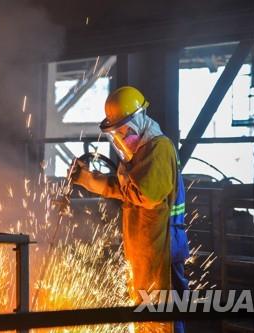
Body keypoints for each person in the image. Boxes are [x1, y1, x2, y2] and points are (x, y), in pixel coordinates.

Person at [70, 86, 189, 333]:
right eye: (117, 133)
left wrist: (101, 180)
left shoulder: (159, 148)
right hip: (145, 249)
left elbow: (145, 194)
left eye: (124, 131)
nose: (122, 139)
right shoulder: (140, 153)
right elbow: (125, 189)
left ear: (139, 121)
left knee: (164, 316)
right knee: (147, 317)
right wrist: (87, 179)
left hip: (163, 247)